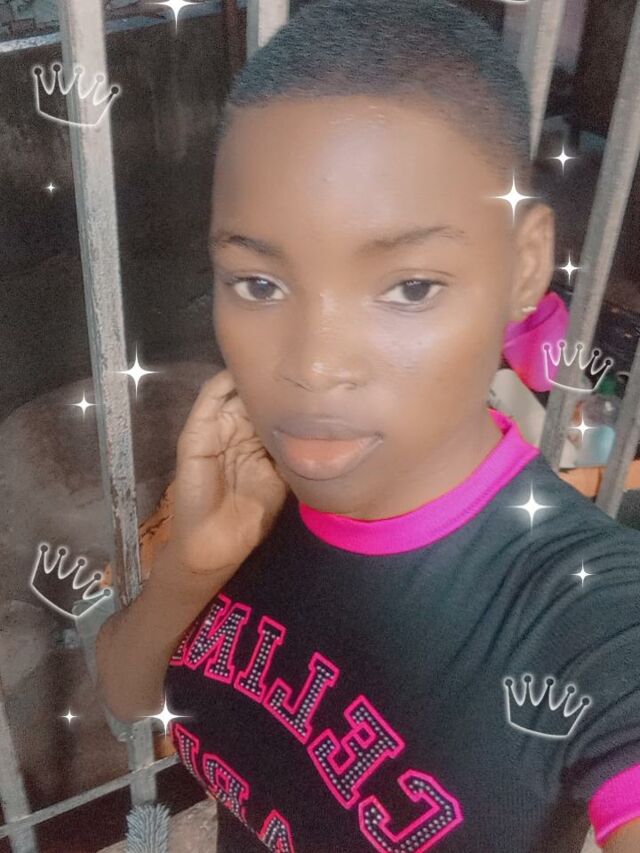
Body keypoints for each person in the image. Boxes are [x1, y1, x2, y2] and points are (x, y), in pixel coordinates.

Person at [95, 1, 640, 850]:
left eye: (410, 287)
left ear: (524, 264)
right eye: (259, 283)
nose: (313, 367)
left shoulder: (588, 616)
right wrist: (189, 569)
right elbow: (128, 699)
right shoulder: (246, 492)